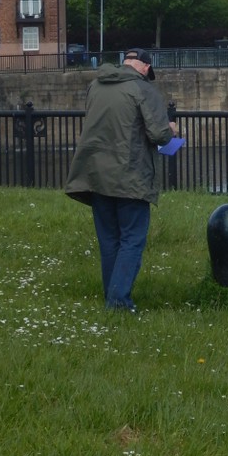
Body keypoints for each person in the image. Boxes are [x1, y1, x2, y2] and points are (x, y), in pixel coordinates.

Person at [65, 48, 177, 312]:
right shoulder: (143, 90)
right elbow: (159, 135)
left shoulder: (96, 85)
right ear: (146, 68)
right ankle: (118, 302)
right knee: (132, 239)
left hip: (96, 175)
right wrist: (171, 129)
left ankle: (112, 294)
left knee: (109, 240)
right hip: (130, 176)